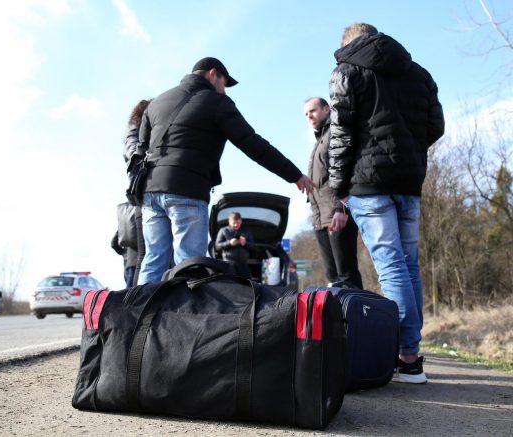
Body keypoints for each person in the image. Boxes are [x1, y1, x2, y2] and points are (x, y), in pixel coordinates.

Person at [328, 23, 445, 383]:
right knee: (409, 265)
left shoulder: (346, 71)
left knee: (391, 266)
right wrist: (408, 150)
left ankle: (405, 355)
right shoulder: (419, 73)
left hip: (368, 183)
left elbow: (341, 133)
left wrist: (338, 188)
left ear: (349, 43)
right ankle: (410, 354)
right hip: (409, 181)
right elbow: (436, 126)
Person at [136, 57, 314, 285]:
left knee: (153, 260)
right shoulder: (216, 102)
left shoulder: (157, 102)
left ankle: (140, 308)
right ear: (213, 74)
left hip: (150, 191)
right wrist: (294, 174)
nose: (225, 90)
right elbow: (253, 144)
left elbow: (139, 150)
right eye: (224, 83)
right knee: (189, 264)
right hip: (187, 190)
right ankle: (186, 309)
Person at [304, 96, 363, 289]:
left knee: (347, 275)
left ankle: (358, 309)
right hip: (320, 218)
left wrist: (341, 208)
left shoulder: (336, 133)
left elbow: (348, 169)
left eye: (313, 111)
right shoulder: (320, 139)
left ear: (326, 109)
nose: (309, 116)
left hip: (337, 213)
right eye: (306, 114)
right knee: (333, 277)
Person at [123, 99, 152, 286]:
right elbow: (133, 152)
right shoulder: (135, 132)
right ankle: (138, 298)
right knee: (146, 254)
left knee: (149, 254)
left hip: (146, 193)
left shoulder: (137, 131)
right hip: (144, 194)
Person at [215, 212, 254, 278]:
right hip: (228, 263)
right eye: (234, 223)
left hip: (243, 264)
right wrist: (229, 243)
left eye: (238, 223)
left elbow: (253, 246)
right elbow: (217, 246)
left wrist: (245, 243)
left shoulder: (246, 231)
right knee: (230, 282)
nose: (236, 225)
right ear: (229, 221)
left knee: (247, 282)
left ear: (241, 221)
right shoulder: (223, 230)